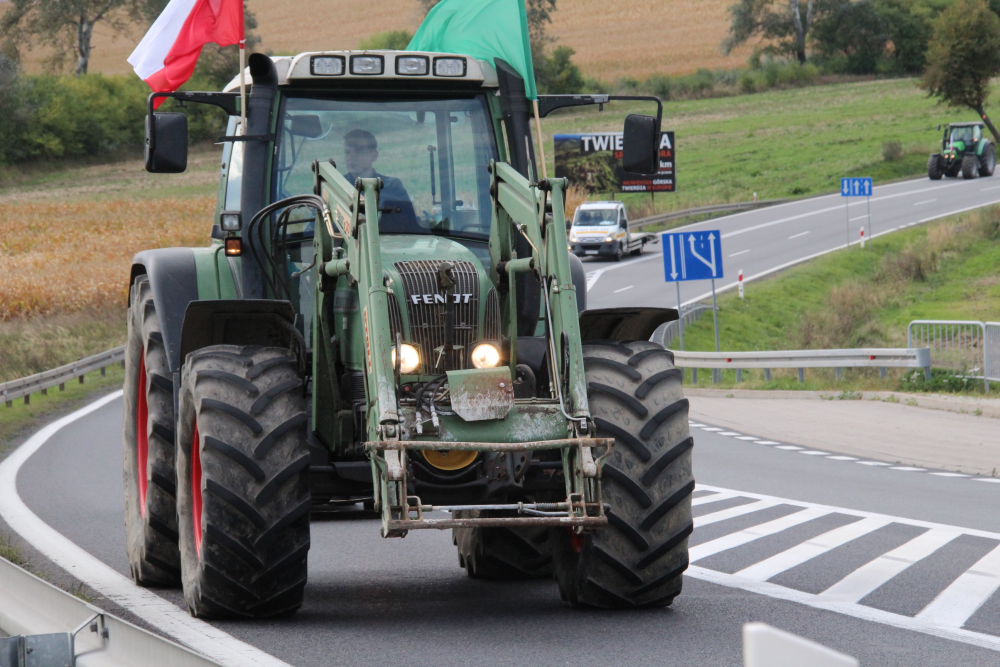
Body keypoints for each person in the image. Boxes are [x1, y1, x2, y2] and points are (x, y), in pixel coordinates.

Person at [343, 129, 411, 207]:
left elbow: (408, 217)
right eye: (347, 152)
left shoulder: (392, 186)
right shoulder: (336, 185)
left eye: (359, 151)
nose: (351, 157)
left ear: (374, 155)